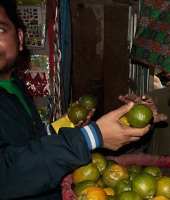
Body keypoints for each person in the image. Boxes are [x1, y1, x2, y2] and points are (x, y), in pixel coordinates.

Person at [0, 1, 150, 199]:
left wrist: (67, 124)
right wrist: (90, 137)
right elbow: (7, 174)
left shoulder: (14, 85)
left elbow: (26, 141)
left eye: (0, 30)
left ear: (19, 38)